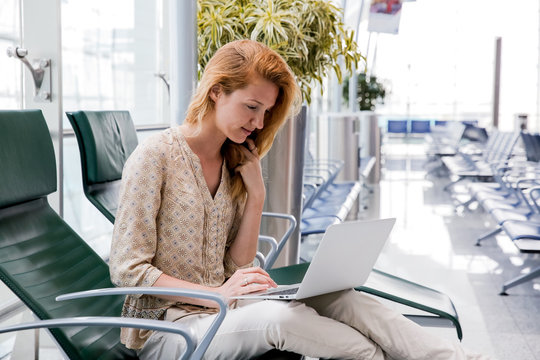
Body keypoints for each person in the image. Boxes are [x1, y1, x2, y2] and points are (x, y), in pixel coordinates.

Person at [109, 39, 491, 360]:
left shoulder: (234, 161)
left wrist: (256, 194)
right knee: (285, 321)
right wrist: (216, 294)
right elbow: (128, 269)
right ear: (216, 91)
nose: (258, 123)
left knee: (343, 298)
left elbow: (236, 263)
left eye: (266, 112)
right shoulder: (155, 156)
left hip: (231, 306)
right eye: (251, 107)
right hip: (171, 327)